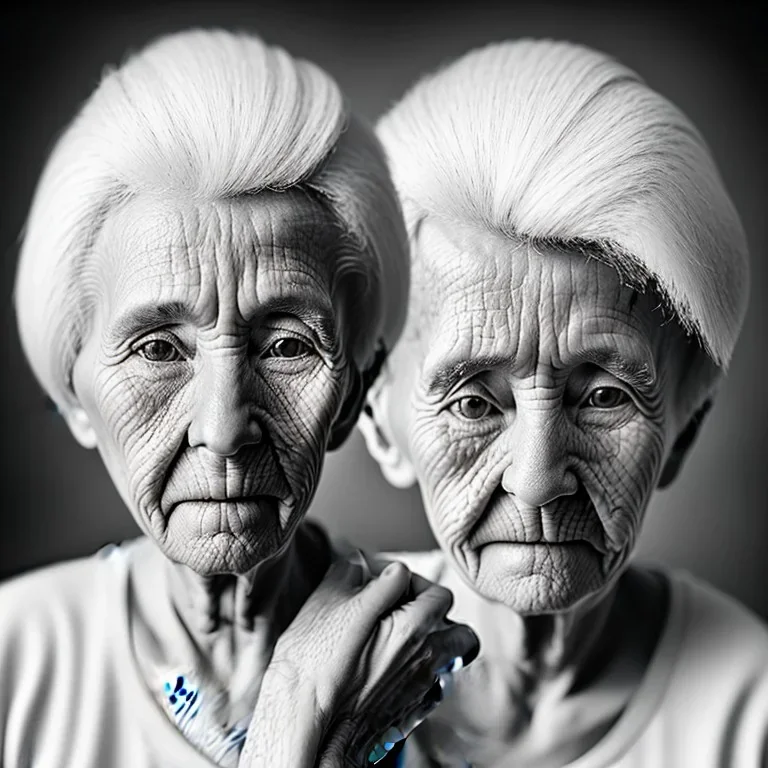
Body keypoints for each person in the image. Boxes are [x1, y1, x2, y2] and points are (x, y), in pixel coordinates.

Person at [1, 28, 478, 768]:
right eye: (159, 350)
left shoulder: (453, 668)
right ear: (73, 393)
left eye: (287, 346)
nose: (224, 428)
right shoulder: (15, 660)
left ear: (355, 391)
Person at [359, 39, 768, 766]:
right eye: (475, 405)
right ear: (377, 420)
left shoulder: (749, 705)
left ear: (684, 431)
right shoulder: (290, 666)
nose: (538, 478)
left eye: (605, 396)